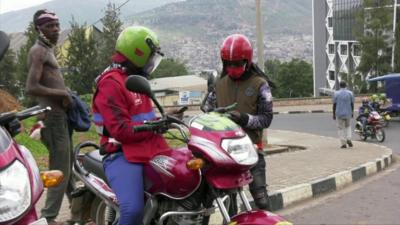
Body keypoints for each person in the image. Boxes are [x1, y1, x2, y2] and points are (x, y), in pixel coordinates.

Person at [92, 26, 182, 225]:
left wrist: (165, 118)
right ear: (137, 53)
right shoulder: (111, 83)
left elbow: (141, 116)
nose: (152, 63)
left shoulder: (136, 80)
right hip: (121, 154)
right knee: (132, 211)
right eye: (150, 57)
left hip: (149, 149)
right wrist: (154, 126)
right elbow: (121, 130)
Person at [203, 34, 274, 213]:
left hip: (252, 150)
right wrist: (213, 112)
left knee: (262, 200)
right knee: (229, 204)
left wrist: (245, 119)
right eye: (228, 64)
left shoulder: (260, 85)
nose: (232, 68)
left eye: (237, 64)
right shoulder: (219, 85)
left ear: (247, 61)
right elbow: (206, 110)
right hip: (225, 153)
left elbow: (266, 118)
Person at [25, 9, 76, 225]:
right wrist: (62, 93)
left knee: (68, 163)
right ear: (39, 28)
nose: (56, 29)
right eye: (50, 26)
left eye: (57, 25)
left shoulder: (47, 50)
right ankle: (49, 217)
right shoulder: (38, 51)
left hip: (60, 116)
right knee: (60, 167)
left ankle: (78, 207)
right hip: (52, 117)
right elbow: (31, 86)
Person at [332, 80, 354, 148]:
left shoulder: (336, 93)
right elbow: (352, 104)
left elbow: (334, 105)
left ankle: (343, 143)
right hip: (348, 112)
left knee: (340, 128)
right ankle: (349, 139)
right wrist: (352, 112)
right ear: (346, 85)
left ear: (340, 86)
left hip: (339, 113)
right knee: (348, 126)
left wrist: (333, 114)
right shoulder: (350, 93)